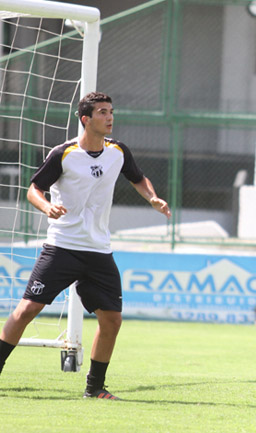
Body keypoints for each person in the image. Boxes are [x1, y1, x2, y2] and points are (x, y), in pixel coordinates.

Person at [0, 92, 171, 400]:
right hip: (63, 247)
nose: (110, 117)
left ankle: (95, 388)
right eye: (103, 112)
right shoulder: (63, 153)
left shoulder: (118, 151)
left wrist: (153, 198)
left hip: (99, 251)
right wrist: (46, 207)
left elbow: (138, 178)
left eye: (111, 112)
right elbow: (34, 189)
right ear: (86, 119)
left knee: (112, 320)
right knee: (28, 309)